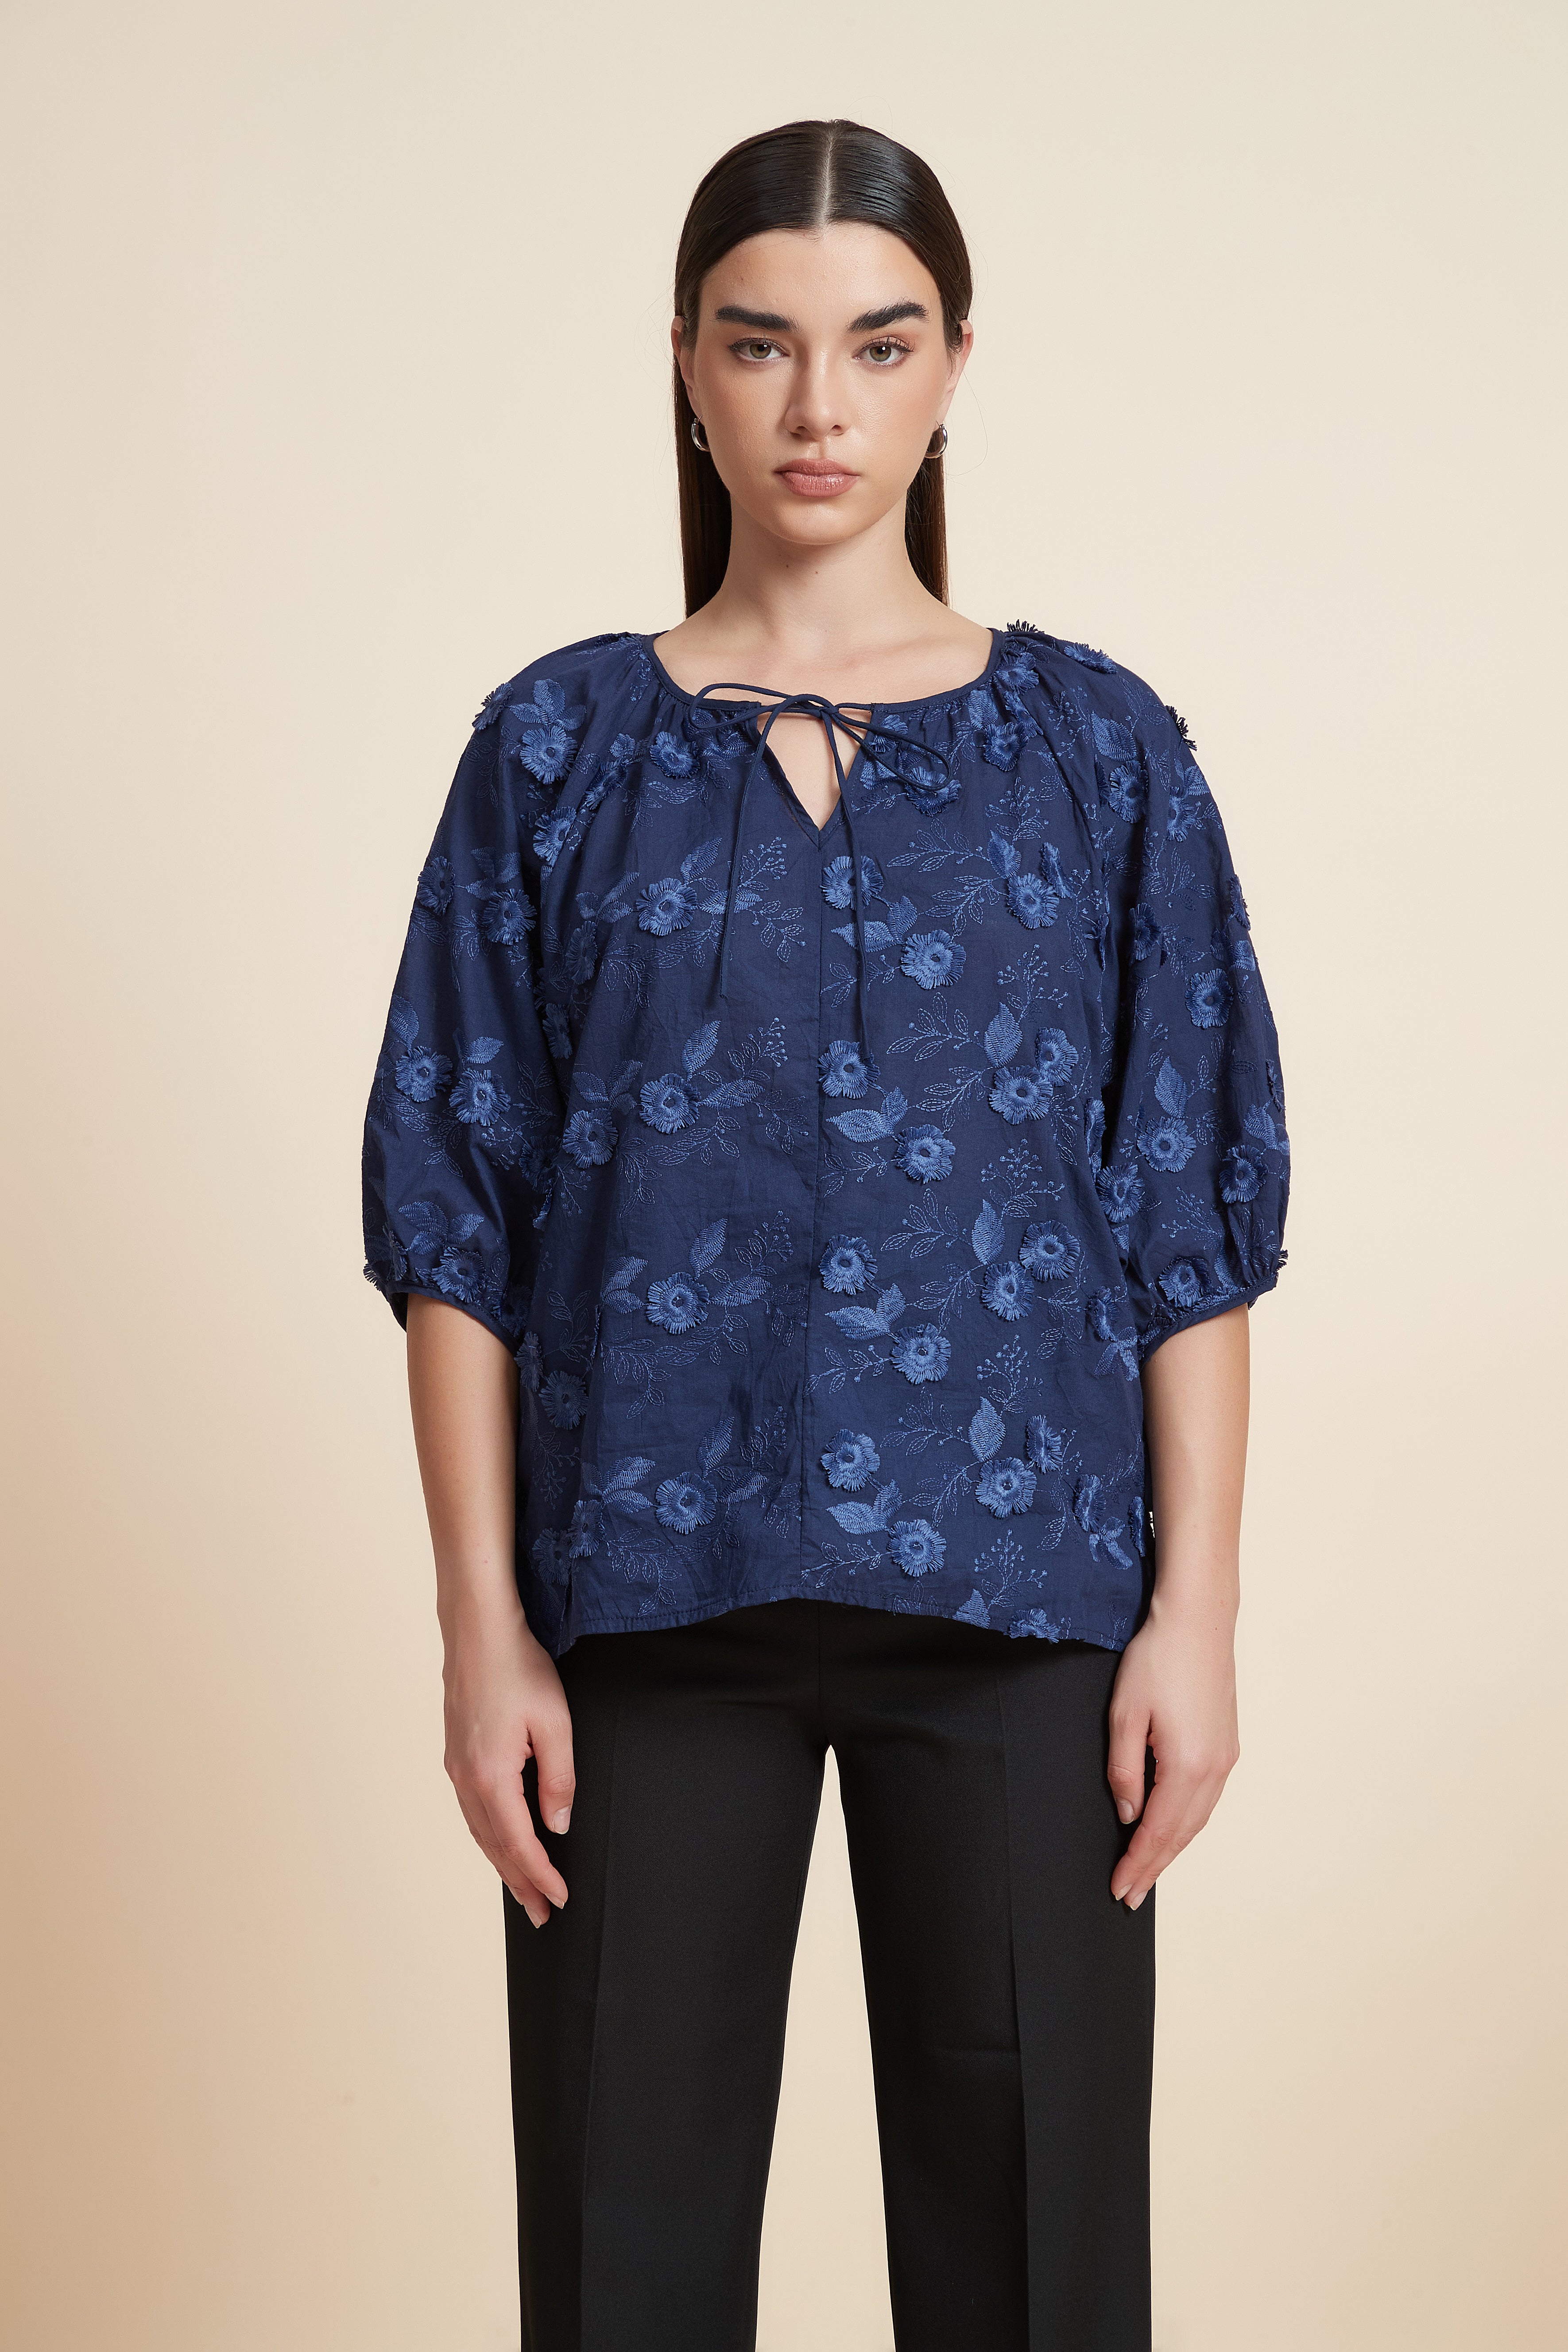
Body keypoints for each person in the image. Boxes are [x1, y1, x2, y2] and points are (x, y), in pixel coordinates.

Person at [360, 116, 1289, 2352]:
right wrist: (482, 1633)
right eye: (759, 343)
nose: (817, 405)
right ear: (686, 366)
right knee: (626, 2271)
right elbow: (454, 1206)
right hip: (640, 1615)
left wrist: (1197, 1616)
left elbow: (1184, 1206)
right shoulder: (555, 748)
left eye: (876, 344)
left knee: (1038, 2280)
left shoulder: (1098, 749)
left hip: (1023, 1613)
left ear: (952, 367)